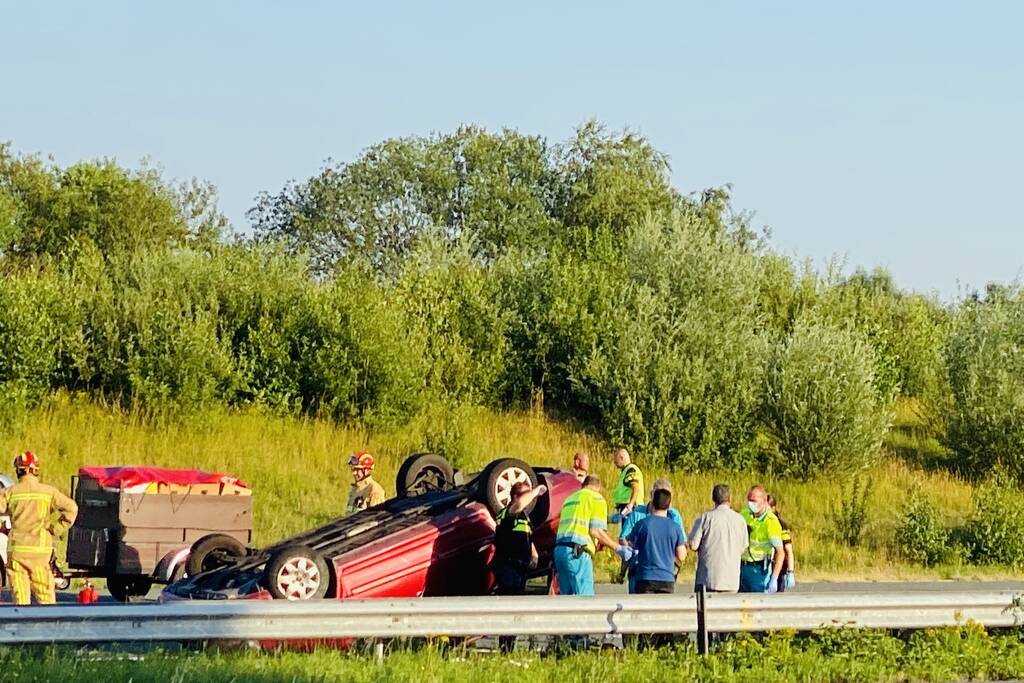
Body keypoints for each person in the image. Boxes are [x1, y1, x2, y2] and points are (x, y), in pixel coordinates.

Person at [0, 452, 77, 605]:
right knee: (45, 596)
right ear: (36, 470)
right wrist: (56, 528)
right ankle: (46, 625)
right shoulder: (48, 492)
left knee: (20, 597)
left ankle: (22, 625)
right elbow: (71, 508)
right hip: (40, 551)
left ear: (19, 470)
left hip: (18, 551)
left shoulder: (10, 493)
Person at [491, 480, 546, 652]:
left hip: (520, 568)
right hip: (507, 565)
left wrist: (535, 556)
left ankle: (509, 645)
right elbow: (520, 503)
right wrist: (536, 490)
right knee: (509, 607)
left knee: (516, 608)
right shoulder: (509, 511)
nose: (529, 497)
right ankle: (505, 647)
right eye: (525, 493)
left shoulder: (523, 518)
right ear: (515, 496)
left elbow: (527, 538)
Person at [553, 475, 621, 596]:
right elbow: (596, 531)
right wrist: (618, 548)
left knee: (565, 598)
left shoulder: (570, 499)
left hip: (560, 551)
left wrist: (608, 519)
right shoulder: (596, 498)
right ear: (598, 487)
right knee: (584, 598)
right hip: (577, 552)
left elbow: (578, 519)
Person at [618, 478, 686, 592]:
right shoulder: (638, 514)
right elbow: (623, 539)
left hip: (659, 571)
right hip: (639, 569)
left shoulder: (674, 516)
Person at [688, 484, 748, 593]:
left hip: (708, 579)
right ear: (730, 498)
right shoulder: (740, 520)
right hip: (731, 581)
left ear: (713, 499)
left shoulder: (706, 518)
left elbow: (693, 545)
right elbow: (743, 547)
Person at [739, 484, 785, 593]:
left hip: (759, 571)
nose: (751, 504)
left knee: (757, 605)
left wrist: (774, 578)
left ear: (764, 501)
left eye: (754, 501)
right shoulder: (745, 514)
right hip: (742, 568)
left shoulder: (771, 522)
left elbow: (780, 552)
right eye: (749, 500)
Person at [768, 494, 796, 592]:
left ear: (773, 508)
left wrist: (790, 571)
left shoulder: (781, 525)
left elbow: (788, 550)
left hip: (778, 569)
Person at [611, 448, 644, 518]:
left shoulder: (630, 470)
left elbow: (635, 487)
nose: (614, 462)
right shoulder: (626, 470)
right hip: (629, 507)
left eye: (616, 460)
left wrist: (631, 504)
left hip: (631, 508)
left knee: (628, 528)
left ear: (622, 458)